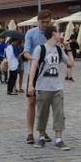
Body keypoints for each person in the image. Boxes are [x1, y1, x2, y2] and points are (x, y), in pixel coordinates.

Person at [27, 25, 73, 150]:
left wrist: (68, 50)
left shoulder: (59, 49)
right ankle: (41, 138)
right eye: (58, 32)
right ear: (53, 34)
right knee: (42, 113)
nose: (60, 34)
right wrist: (31, 84)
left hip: (57, 87)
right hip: (43, 86)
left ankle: (59, 139)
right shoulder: (40, 49)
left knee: (59, 113)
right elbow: (34, 67)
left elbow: (70, 63)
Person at [23, 10, 53, 145]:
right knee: (31, 102)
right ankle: (30, 132)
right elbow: (26, 52)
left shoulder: (52, 33)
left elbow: (56, 50)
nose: (46, 24)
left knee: (45, 103)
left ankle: (43, 130)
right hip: (34, 71)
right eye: (43, 22)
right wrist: (35, 59)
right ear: (38, 20)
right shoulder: (31, 33)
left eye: (48, 22)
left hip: (47, 73)